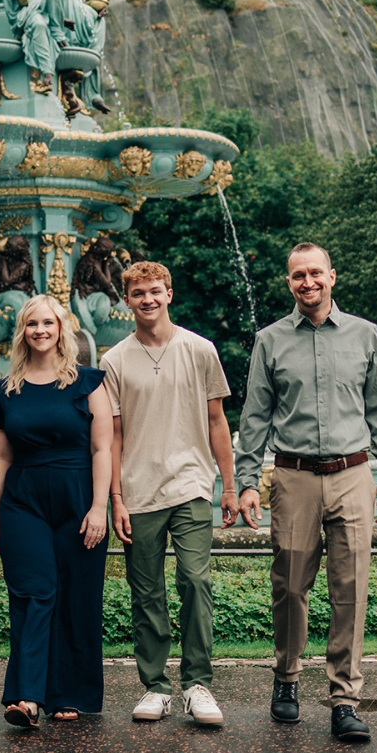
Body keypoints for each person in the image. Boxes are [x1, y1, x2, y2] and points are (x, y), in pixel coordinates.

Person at [234, 242, 377, 743]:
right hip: (294, 477)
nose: (307, 282)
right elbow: (255, 416)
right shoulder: (270, 340)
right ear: (289, 283)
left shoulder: (365, 335)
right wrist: (246, 482)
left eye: (315, 274)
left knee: (350, 590)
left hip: (353, 474)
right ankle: (286, 679)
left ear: (333, 276)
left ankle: (344, 700)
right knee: (289, 585)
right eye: (297, 276)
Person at [102, 262, 237, 726]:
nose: (147, 300)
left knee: (195, 582)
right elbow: (112, 436)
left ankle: (198, 684)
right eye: (138, 293)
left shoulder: (200, 350)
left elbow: (218, 421)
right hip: (138, 492)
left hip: (191, 485)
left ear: (169, 294)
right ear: (127, 301)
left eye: (155, 291)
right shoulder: (114, 360)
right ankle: (155, 686)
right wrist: (116, 498)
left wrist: (230, 486)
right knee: (147, 592)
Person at [0, 294, 113, 727]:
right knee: (33, 593)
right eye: (31, 324)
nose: (40, 330)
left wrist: (99, 508)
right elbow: (0, 456)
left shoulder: (89, 383)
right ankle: (26, 697)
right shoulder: (5, 390)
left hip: (79, 498)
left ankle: (68, 693)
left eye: (48, 323)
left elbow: (102, 448)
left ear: (62, 330)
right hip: (24, 501)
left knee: (77, 596)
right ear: (22, 331)